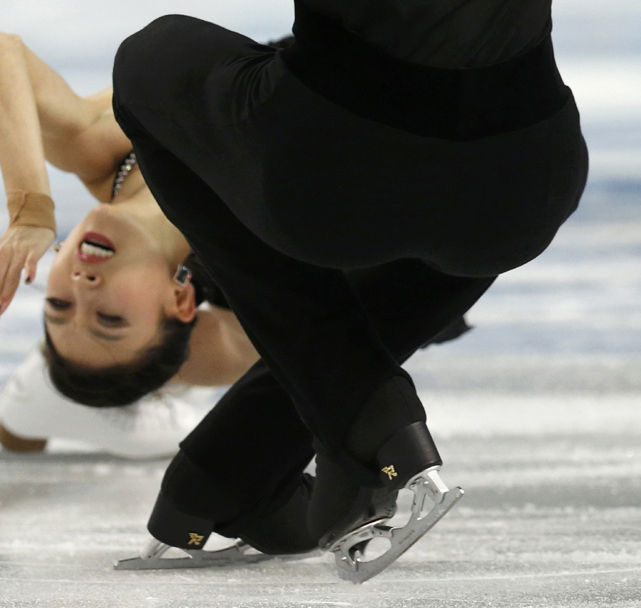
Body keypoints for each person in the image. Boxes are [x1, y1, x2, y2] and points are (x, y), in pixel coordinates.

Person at [109, 0, 589, 580]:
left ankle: (364, 414)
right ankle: (234, 467)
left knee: (149, 62)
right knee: (462, 190)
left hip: (337, 178)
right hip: (524, 189)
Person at [0, 33, 260, 453]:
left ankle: (63, 394)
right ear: (180, 300)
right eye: (109, 318)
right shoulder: (258, 244)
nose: (82, 285)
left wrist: (30, 208)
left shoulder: (101, 153)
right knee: (256, 348)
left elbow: (2, 51)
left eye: (58, 303)